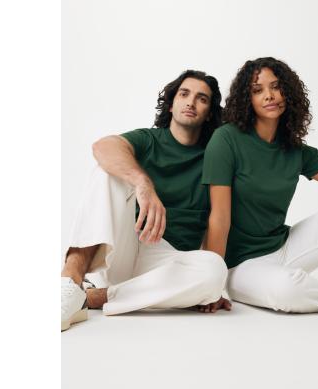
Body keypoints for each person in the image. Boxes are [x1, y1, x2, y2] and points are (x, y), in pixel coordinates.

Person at [201, 57, 318, 314]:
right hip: (240, 267)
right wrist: (213, 286)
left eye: (276, 87)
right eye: (258, 90)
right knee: (287, 291)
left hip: (285, 247)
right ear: (247, 99)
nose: (269, 95)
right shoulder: (226, 140)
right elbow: (219, 219)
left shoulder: (294, 150)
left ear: (288, 92)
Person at [61, 70, 230, 331]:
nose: (191, 102)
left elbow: (218, 220)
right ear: (171, 104)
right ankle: (69, 283)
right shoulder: (150, 140)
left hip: (169, 263)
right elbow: (103, 146)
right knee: (106, 171)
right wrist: (143, 183)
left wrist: (215, 290)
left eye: (202, 98)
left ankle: (95, 297)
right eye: (184, 94)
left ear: (209, 112)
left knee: (215, 270)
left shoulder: (214, 156)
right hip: (129, 245)